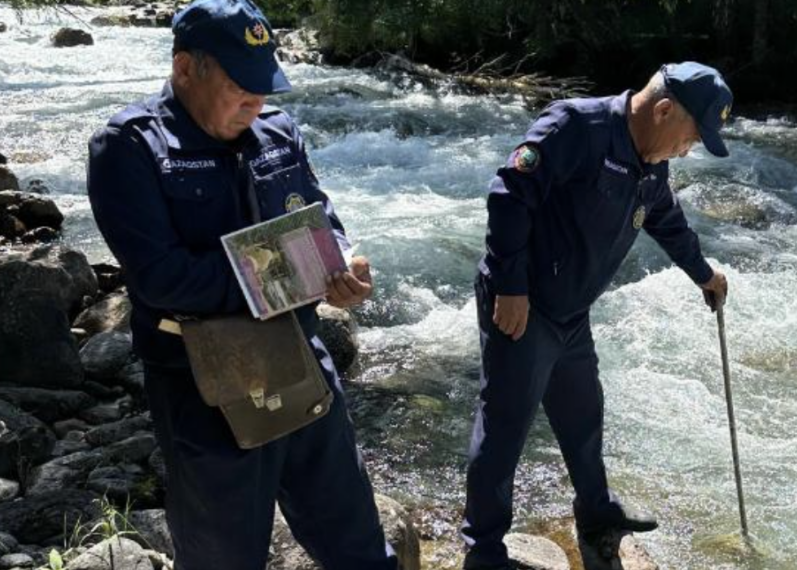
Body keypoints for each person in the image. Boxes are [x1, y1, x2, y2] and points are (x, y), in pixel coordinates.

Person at [85, 0, 397, 568]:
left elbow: (319, 215)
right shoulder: (129, 147)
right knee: (223, 557)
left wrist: (342, 260)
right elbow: (162, 279)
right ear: (185, 69)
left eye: (264, 84)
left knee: (358, 544)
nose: (257, 101)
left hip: (301, 358)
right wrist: (293, 271)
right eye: (239, 85)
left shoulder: (277, 131)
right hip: (203, 384)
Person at [463, 62, 734, 570]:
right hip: (526, 305)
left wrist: (704, 275)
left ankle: (596, 516)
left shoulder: (651, 161)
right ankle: (483, 550)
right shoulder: (575, 127)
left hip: (571, 313)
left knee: (583, 415)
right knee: (504, 427)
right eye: (693, 135)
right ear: (663, 109)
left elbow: (666, 220)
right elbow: (508, 195)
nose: (690, 147)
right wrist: (511, 285)